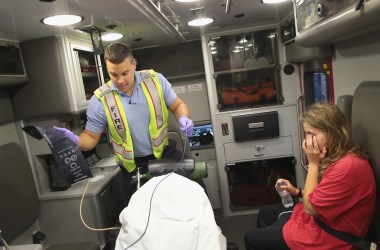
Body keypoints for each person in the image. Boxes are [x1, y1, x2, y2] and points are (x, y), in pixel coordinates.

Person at [56, 42, 195, 205]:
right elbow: (90, 138)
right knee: (136, 215)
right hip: (132, 166)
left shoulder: (155, 81)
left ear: (134, 64)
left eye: (125, 73)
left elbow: (178, 105)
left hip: (164, 154)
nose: (120, 80)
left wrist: (183, 118)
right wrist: (76, 141)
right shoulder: (100, 100)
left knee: (196, 190)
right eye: (113, 75)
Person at [244, 102, 376, 250]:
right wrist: (298, 192)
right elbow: (326, 194)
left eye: (311, 134)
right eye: (306, 134)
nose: (307, 141)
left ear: (333, 133)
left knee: (252, 238)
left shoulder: (347, 167)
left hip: (330, 237)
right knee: (266, 213)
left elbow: (310, 208)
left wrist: (313, 163)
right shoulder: (337, 155)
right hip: (322, 221)